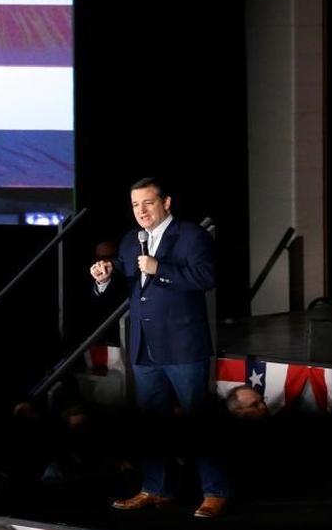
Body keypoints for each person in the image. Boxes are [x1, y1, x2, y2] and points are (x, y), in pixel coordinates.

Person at [89, 177, 228, 518]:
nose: (141, 211)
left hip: (183, 346)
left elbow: (207, 277)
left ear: (166, 203)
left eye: (148, 203)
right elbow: (124, 277)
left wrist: (160, 268)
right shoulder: (129, 240)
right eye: (136, 205)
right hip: (144, 348)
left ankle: (215, 492)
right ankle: (156, 488)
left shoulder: (192, 235)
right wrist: (104, 276)